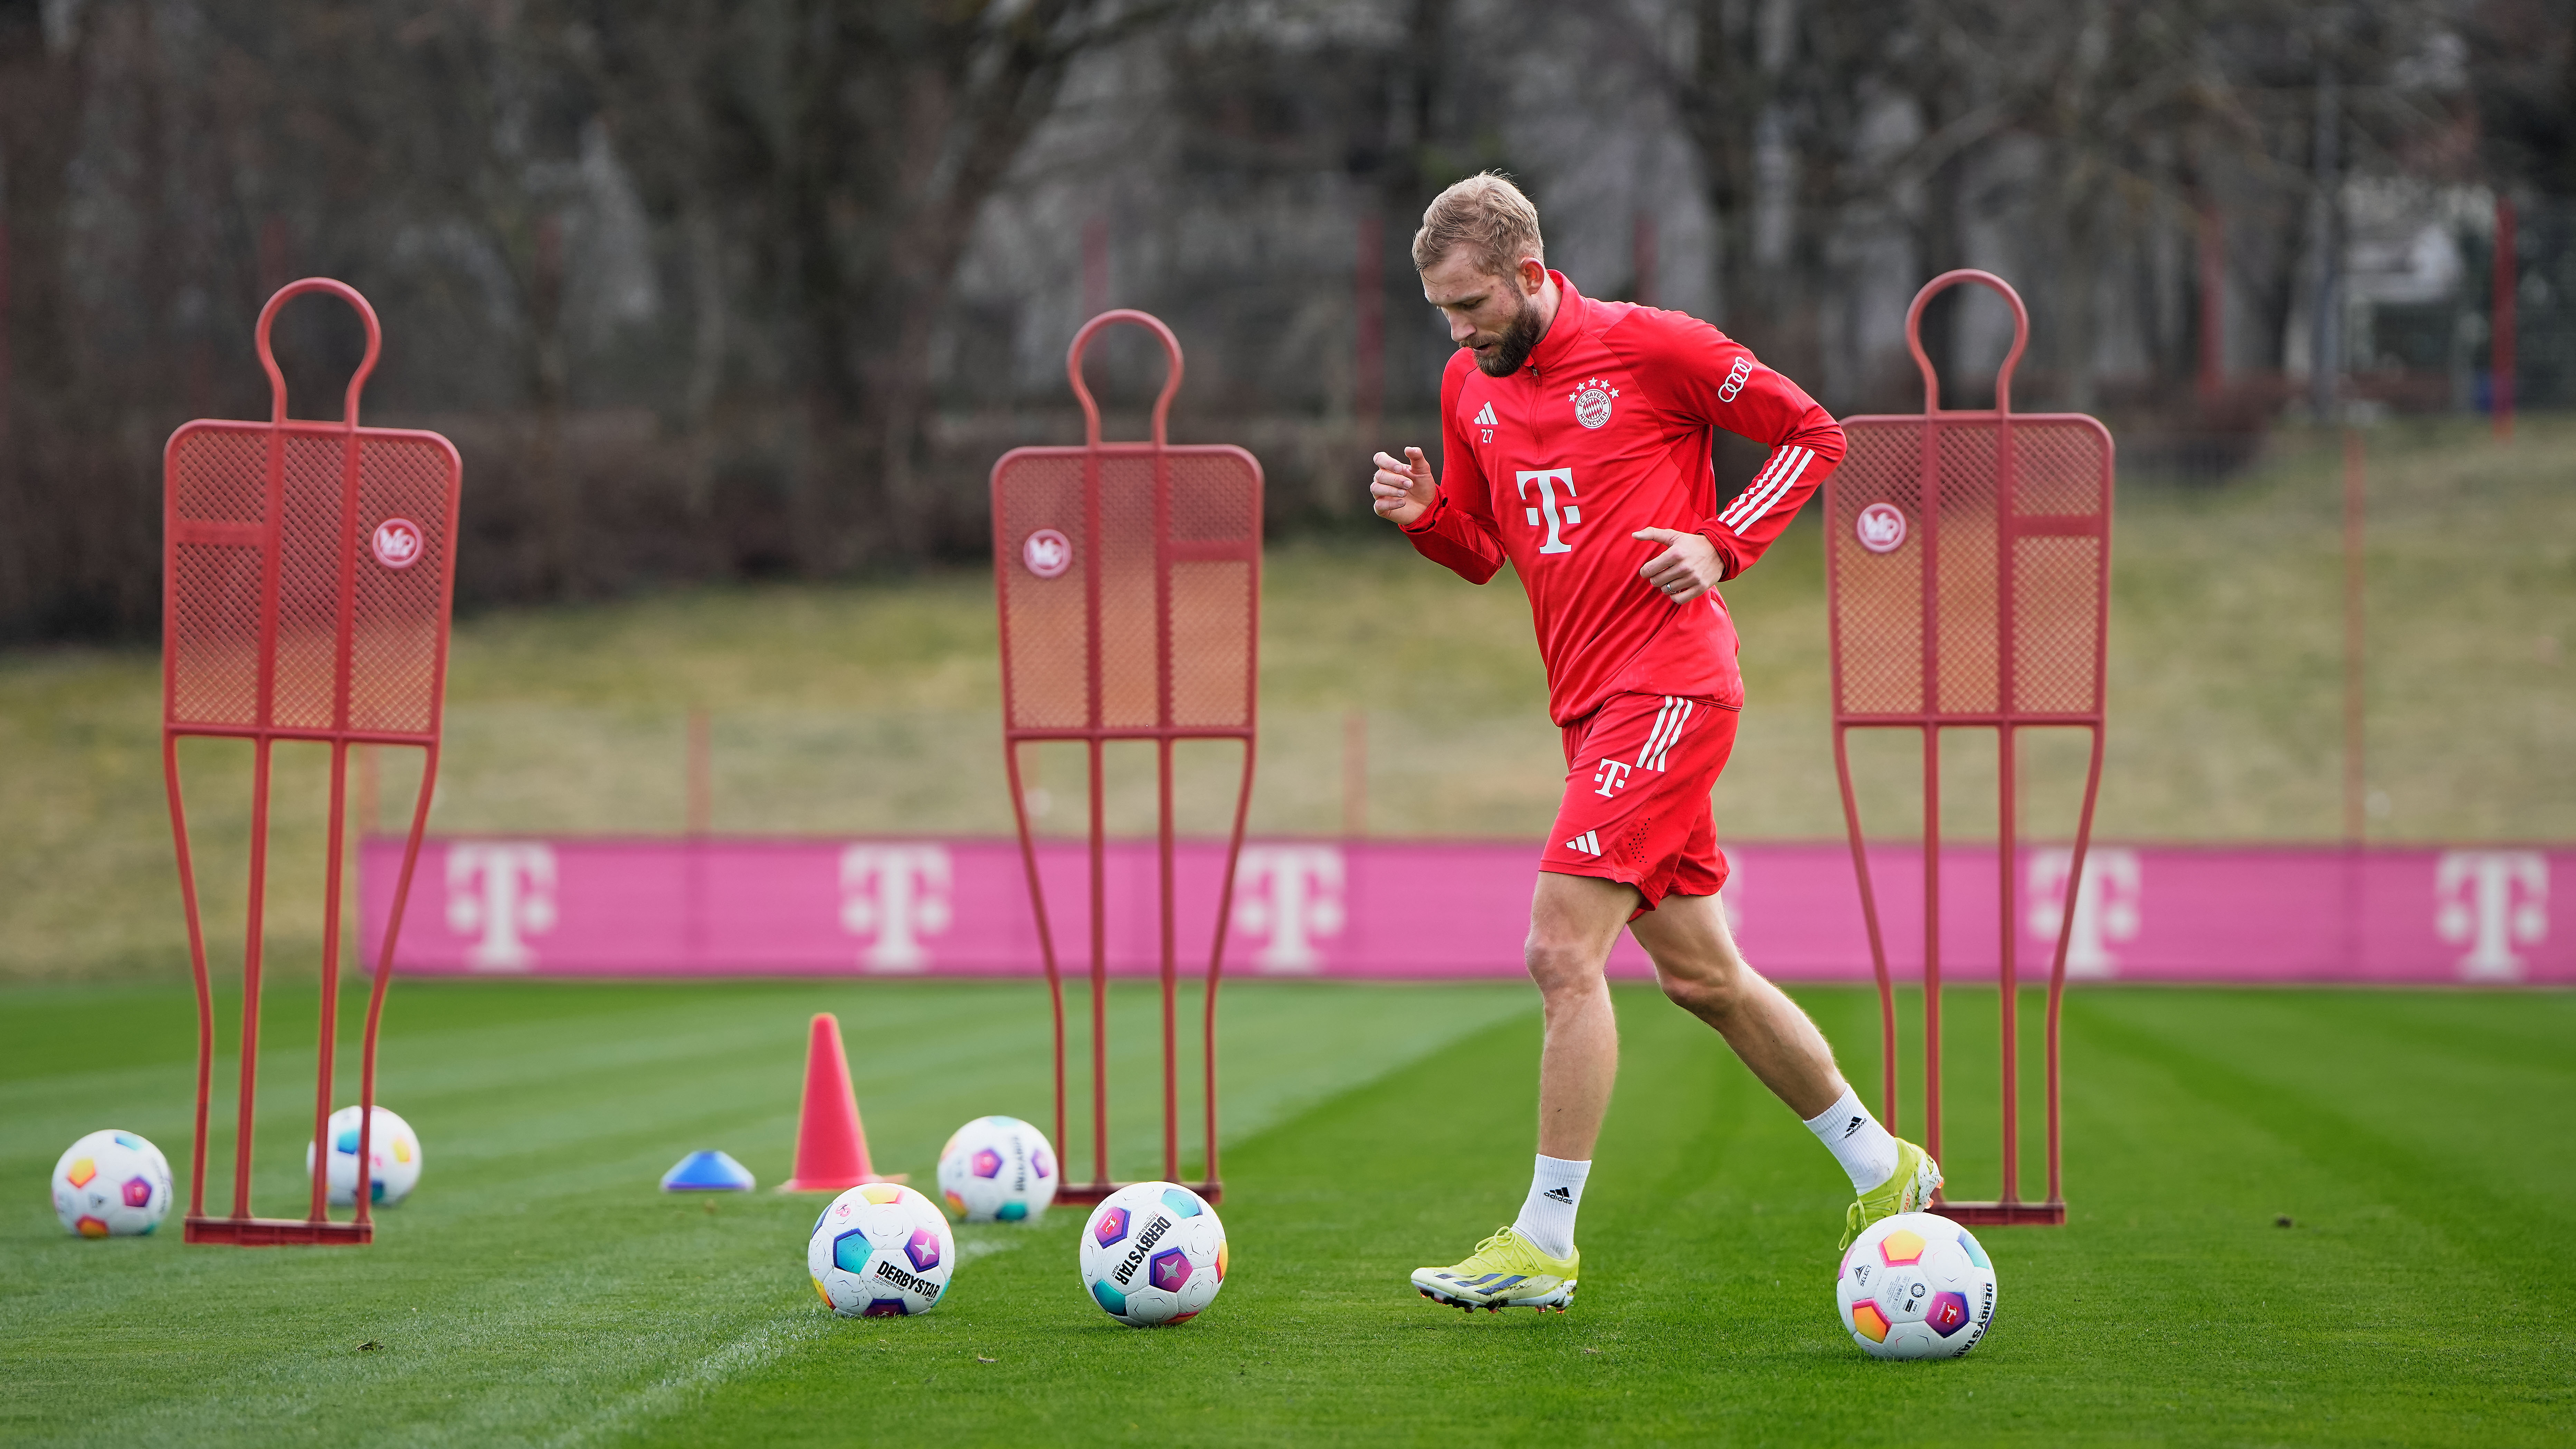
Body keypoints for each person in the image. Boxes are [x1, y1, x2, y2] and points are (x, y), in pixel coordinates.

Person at [1371, 173, 1940, 1315]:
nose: (1457, 327)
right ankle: (1888, 1170)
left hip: (1669, 686)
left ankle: (1543, 1242)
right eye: (1441, 308)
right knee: (1702, 976)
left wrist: (1723, 542)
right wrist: (1427, 515)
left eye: (1472, 302)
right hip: (1590, 708)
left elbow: (1811, 433)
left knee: (1557, 950)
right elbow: (1487, 550)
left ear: (1531, 276)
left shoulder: (1652, 348)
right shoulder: (1466, 383)